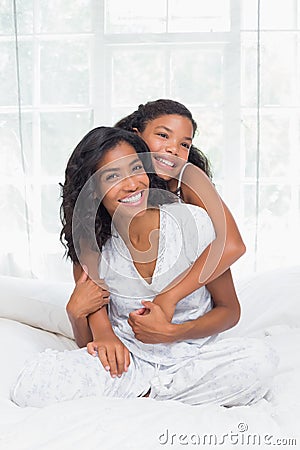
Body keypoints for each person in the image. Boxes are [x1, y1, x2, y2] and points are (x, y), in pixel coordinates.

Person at [11, 127, 277, 408]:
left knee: (259, 360)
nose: (131, 184)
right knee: (32, 387)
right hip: (130, 365)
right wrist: (76, 315)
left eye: (135, 168)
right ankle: (157, 396)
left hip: (195, 359)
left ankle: (145, 398)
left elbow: (229, 311)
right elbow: (96, 345)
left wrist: (174, 332)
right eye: (112, 176)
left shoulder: (193, 223)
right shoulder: (94, 249)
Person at [68, 99, 246, 347]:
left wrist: (169, 298)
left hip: (186, 313)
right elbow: (86, 246)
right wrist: (95, 325)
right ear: (136, 137)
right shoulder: (115, 179)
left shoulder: (187, 177)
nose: (173, 149)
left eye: (184, 144)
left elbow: (232, 244)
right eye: (163, 135)